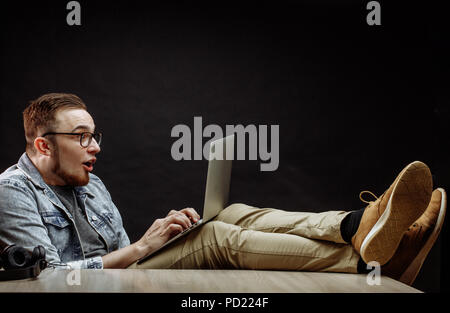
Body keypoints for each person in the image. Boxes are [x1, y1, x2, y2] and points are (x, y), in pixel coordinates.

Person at [0, 93, 446, 286]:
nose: (94, 146)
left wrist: (157, 234)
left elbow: (123, 248)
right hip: (106, 284)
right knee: (218, 237)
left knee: (233, 213)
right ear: (43, 144)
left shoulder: (90, 183)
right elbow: (53, 278)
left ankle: (356, 225)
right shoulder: (12, 191)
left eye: (95, 134)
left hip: (127, 271)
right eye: (81, 137)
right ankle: (376, 257)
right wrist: (140, 250)